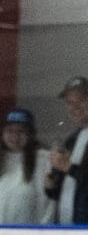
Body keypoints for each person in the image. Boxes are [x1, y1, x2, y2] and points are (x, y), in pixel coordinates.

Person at [42, 78, 88, 223]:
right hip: (66, 230)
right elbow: (64, 191)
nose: (74, 107)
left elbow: (74, 172)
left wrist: (69, 168)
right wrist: (51, 185)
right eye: (69, 102)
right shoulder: (72, 139)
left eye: (80, 100)